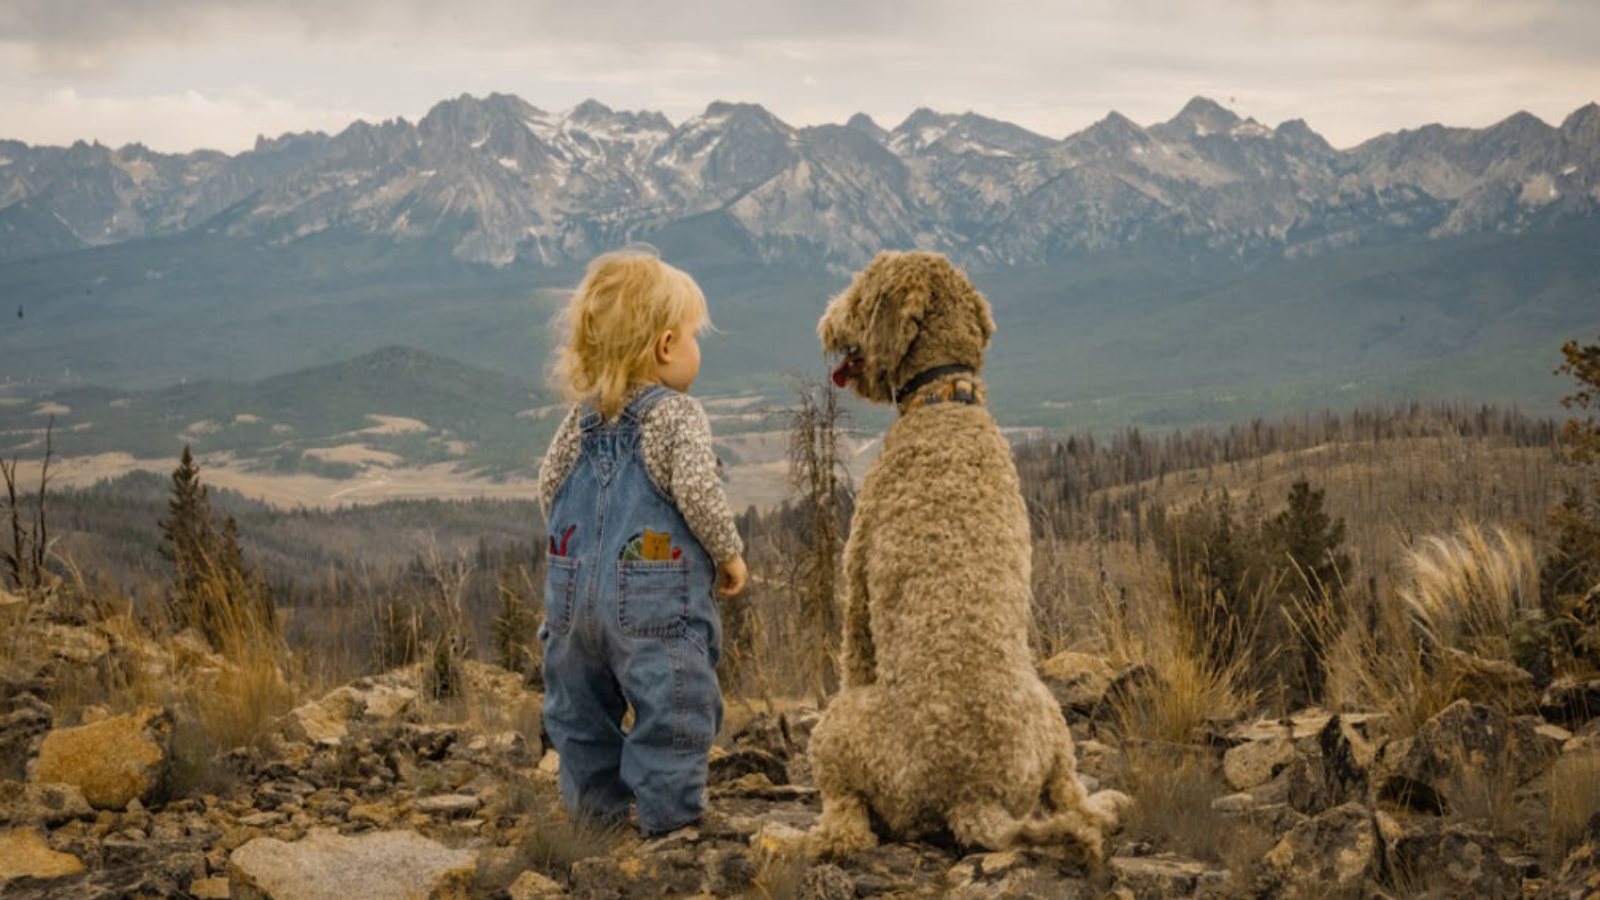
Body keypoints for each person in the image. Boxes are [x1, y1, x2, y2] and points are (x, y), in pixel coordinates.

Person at [537, 249, 748, 836]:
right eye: (693, 338)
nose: (696, 351)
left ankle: (594, 820)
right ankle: (670, 822)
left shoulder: (580, 420)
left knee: (579, 711)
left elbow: (549, 488)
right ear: (663, 346)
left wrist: (574, 561)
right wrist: (728, 553)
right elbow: (699, 493)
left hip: (571, 601)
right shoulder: (677, 417)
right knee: (674, 704)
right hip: (652, 603)